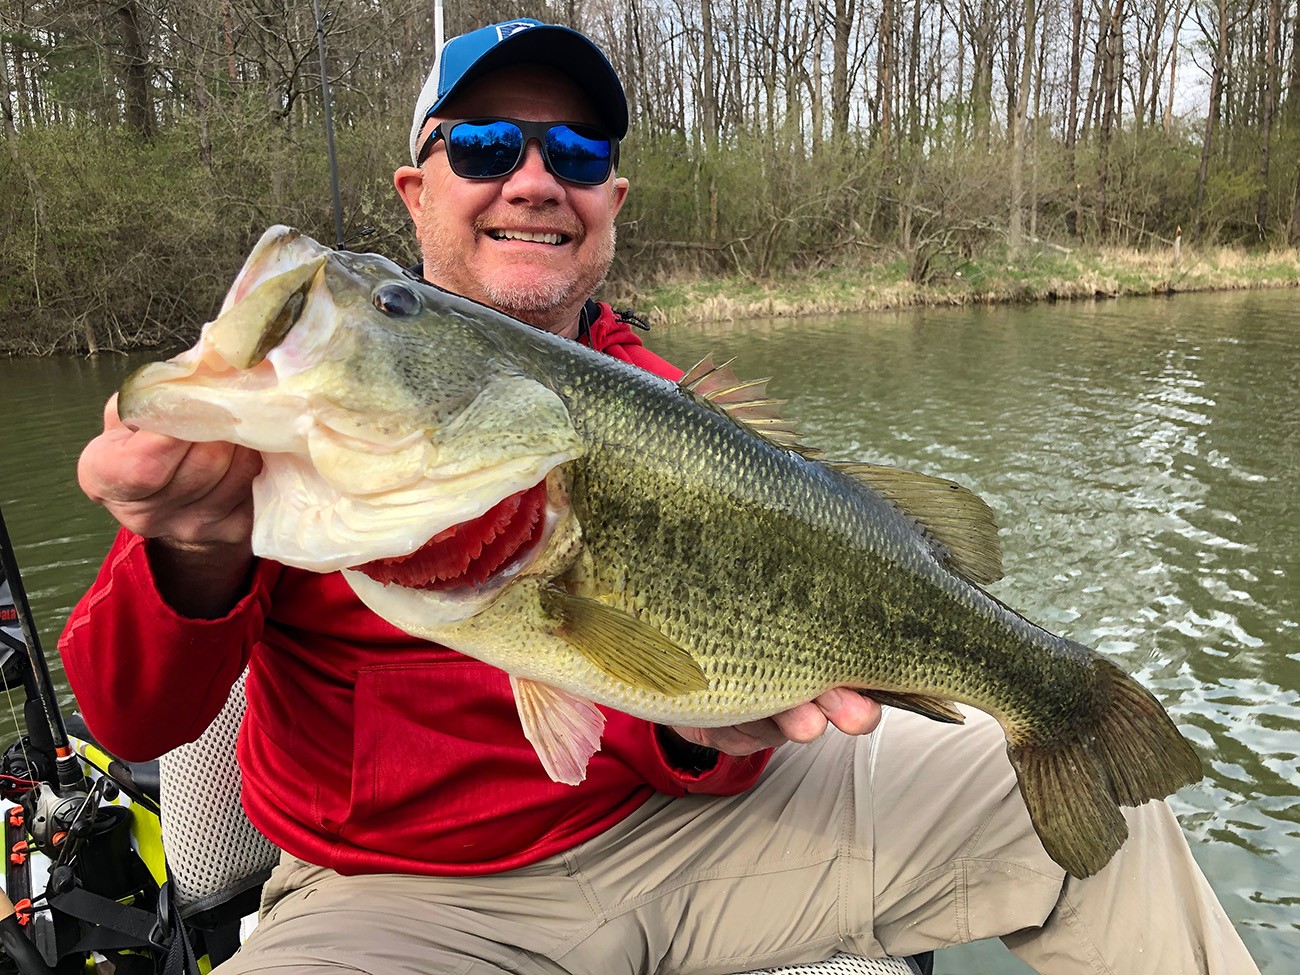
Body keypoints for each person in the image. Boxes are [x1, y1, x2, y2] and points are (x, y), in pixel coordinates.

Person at [59, 18, 1258, 975]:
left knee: (1094, 828)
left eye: (574, 156)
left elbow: (705, 712)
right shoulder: (289, 431)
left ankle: (1056, 712)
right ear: (414, 189)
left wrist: (697, 734)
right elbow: (133, 719)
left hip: (682, 848)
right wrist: (195, 551)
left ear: (609, 207)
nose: (534, 180)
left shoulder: (669, 410)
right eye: (484, 148)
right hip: (396, 905)